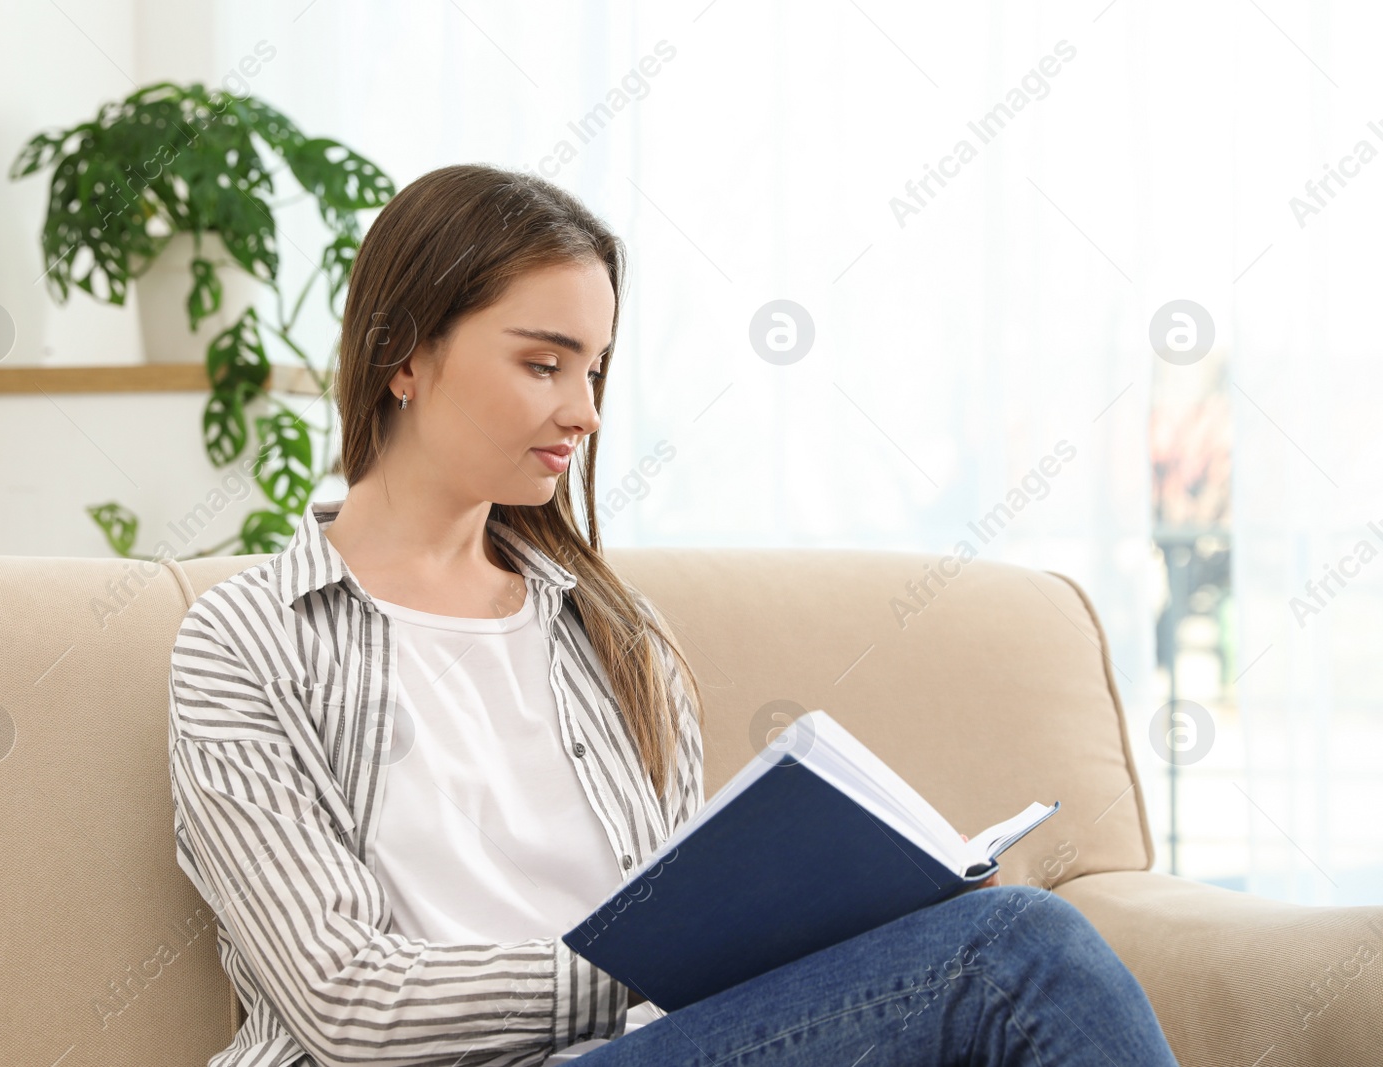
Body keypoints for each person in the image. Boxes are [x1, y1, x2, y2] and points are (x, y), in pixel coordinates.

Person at [166, 163, 1180, 1067]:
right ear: (404, 357)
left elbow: (686, 935)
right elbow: (349, 1002)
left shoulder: (614, 635)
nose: (586, 412)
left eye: (594, 369)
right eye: (542, 362)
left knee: (992, 944)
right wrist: (650, 961)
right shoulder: (248, 641)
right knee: (1014, 953)